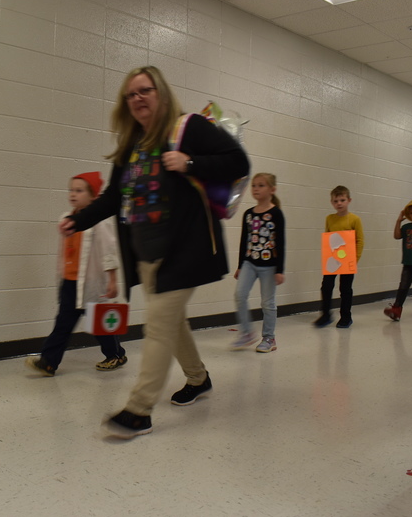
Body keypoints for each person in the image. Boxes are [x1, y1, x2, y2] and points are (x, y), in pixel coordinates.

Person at [59, 66, 249, 439]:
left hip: (185, 249)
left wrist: (190, 163)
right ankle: (198, 378)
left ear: (161, 93)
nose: (138, 99)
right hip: (145, 252)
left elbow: (237, 161)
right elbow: (114, 197)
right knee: (172, 322)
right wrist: (78, 220)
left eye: (145, 91)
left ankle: (139, 410)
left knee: (159, 326)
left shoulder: (187, 127)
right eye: (131, 94)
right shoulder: (131, 145)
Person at [25, 172, 126, 376]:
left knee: (99, 325)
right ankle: (48, 362)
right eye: (71, 190)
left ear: (94, 196)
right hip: (70, 283)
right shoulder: (66, 218)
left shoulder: (100, 223)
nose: (73, 194)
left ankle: (116, 354)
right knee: (62, 324)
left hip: (92, 285)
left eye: (79, 191)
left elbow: (109, 252)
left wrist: (112, 280)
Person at [232, 173, 285, 352]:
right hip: (250, 263)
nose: (256, 188)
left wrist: (280, 269)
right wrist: (240, 265)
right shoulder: (248, 214)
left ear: (272, 190)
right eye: (254, 185)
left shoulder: (276, 214)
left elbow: (281, 242)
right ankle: (246, 332)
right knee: (240, 294)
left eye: (261, 185)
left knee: (267, 303)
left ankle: (269, 338)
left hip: (269, 265)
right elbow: (243, 241)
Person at [314, 186, 364, 329]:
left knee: (345, 289)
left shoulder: (355, 219)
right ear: (332, 202)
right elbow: (328, 238)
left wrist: (355, 259)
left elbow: (360, 240)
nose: (339, 203)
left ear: (349, 200)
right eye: (336, 201)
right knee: (326, 286)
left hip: (348, 260)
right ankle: (326, 315)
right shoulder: (329, 219)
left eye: (342, 200)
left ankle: (346, 317)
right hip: (332, 260)